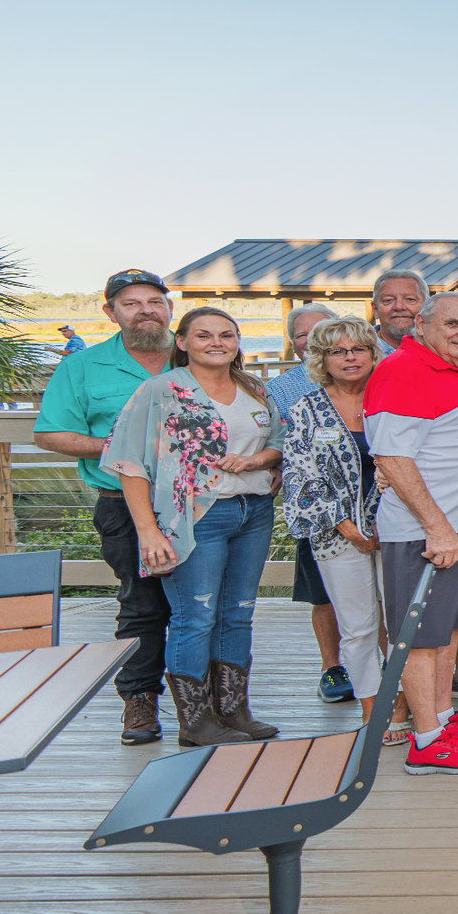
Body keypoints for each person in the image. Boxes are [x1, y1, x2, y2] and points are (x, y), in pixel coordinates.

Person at [103, 306, 286, 747]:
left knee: (238, 612)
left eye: (226, 334)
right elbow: (129, 463)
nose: (217, 342)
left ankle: (233, 710)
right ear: (181, 342)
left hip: (254, 511)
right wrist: (148, 530)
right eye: (203, 335)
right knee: (195, 616)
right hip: (196, 517)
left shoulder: (254, 388)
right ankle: (196, 721)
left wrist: (258, 459)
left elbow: (278, 442)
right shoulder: (161, 390)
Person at [365, 291, 458, 772]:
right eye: (453, 323)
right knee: (420, 635)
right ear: (421, 324)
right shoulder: (402, 369)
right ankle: (427, 741)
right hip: (428, 532)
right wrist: (435, 526)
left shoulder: (449, 369)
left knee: (448, 628)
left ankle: (444, 715)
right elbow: (391, 455)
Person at [34, 269, 175, 745]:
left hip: (201, 502)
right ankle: (139, 702)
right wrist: (119, 447)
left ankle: (212, 702)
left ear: (169, 307)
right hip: (121, 503)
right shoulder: (83, 366)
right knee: (141, 606)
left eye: (154, 301)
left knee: (208, 607)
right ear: (110, 311)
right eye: (132, 303)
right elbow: (50, 433)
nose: (145, 310)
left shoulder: (197, 351)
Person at [281, 316, 386, 726]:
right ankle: (371, 709)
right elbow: (300, 477)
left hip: (398, 530)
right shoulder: (306, 409)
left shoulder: (390, 397)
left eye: (358, 348)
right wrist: (348, 527)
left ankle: (405, 702)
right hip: (336, 536)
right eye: (337, 351)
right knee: (358, 628)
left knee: (401, 625)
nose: (349, 357)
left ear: (372, 354)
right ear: (321, 359)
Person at [372, 270, 427, 352]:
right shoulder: (352, 352)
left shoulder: (443, 351)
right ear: (375, 309)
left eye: (410, 299)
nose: (399, 307)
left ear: (426, 307)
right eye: (388, 300)